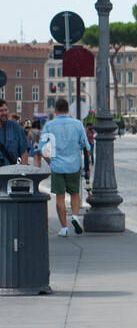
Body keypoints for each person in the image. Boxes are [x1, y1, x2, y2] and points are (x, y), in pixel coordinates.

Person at [38, 99, 91, 236]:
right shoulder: (78, 124)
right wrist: (86, 165)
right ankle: (74, 216)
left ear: (55, 110)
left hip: (57, 166)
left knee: (60, 197)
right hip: (74, 165)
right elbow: (86, 147)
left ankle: (64, 228)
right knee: (75, 193)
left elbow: (42, 148)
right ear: (68, 109)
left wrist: (51, 162)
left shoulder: (49, 125)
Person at [0, 102, 29, 168]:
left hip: (10, 171)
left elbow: (24, 150)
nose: (4, 113)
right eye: (1, 111)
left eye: (6, 110)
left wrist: (24, 171)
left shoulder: (16, 127)